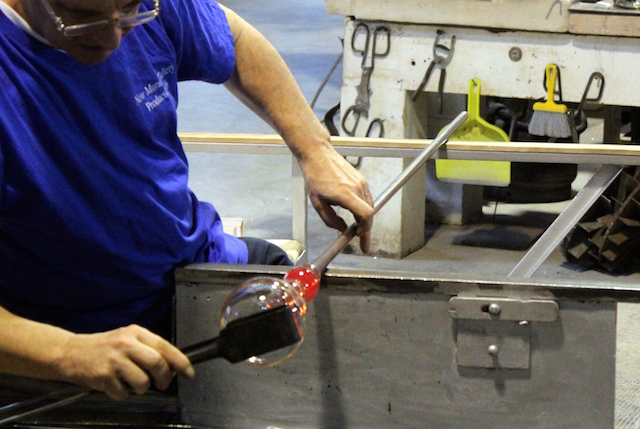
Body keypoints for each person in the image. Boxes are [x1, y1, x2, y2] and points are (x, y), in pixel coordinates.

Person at [0, 0, 374, 401]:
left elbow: (234, 38)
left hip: (193, 265)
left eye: (130, 10)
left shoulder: (156, 8)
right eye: (81, 18)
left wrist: (314, 148)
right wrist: (66, 353)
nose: (115, 36)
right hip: (87, 339)